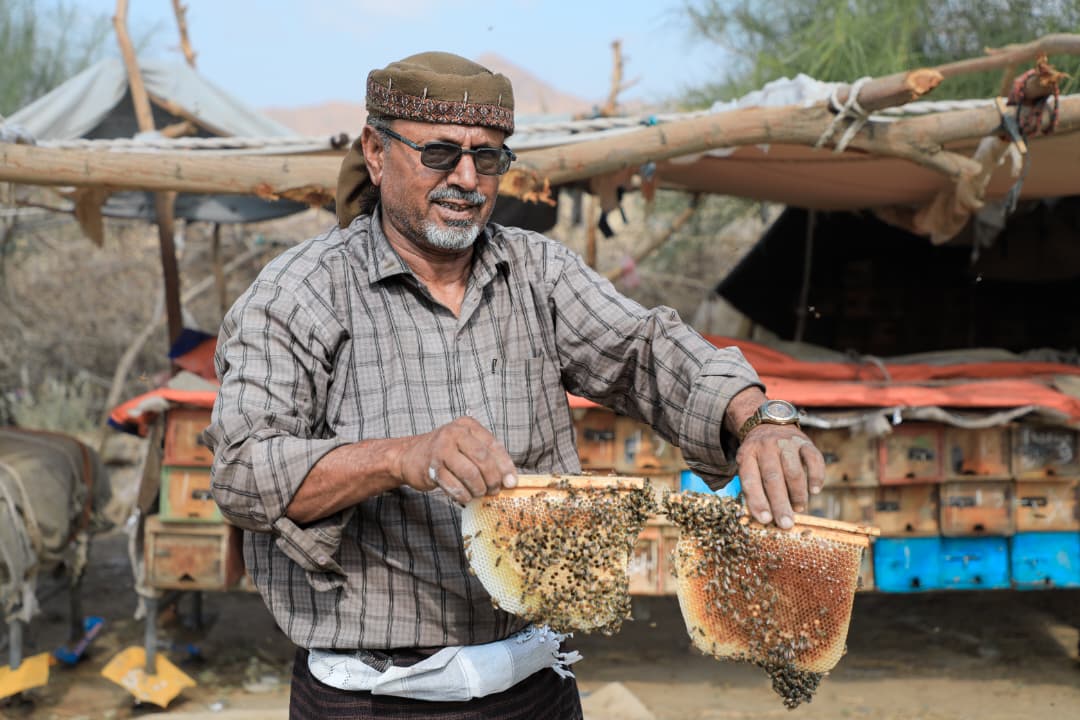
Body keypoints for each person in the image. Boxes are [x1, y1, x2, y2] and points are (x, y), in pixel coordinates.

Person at [204, 51, 825, 720]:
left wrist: (761, 418)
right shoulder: (298, 293)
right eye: (440, 154)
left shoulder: (538, 272)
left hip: (533, 687)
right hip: (370, 700)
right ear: (376, 152)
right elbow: (242, 471)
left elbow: (647, 351)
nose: (467, 179)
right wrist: (398, 457)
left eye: (489, 157)